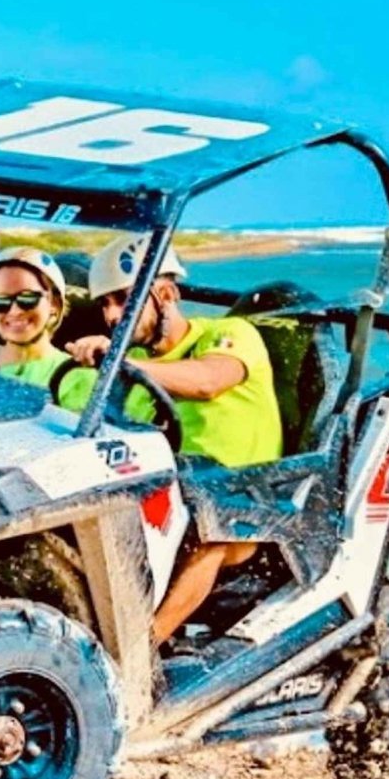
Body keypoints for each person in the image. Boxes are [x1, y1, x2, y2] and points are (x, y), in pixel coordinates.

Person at [65, 233, 283, 645]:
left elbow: (208, 381)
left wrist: (116, 361)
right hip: (169, 498)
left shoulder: (227, 333)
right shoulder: (138, 367)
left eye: (123, 301)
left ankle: (137, 655)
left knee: (208, 525)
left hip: (241, 501)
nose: (112, 317)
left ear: (165, 293)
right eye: (105, 305)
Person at [0, 246, 72, 386]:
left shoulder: (70, 374)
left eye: (27, 299)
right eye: (0, 302)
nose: (15, 311)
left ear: (54, 304)